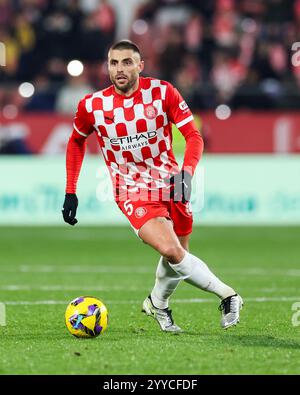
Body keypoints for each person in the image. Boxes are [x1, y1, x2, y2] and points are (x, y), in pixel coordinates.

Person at [62, 40, 243, 333]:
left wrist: (187, 172)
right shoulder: (93, 105)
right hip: (130, 189)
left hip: (172, 183)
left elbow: (194, 136)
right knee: (171, 250)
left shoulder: (162, 92)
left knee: (177, 256)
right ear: (107, 66)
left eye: (126, 62)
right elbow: (76, 141)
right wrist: (71, 190)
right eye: (113, 63)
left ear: (140, 66)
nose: (119, 69)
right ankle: (228, 295)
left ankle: (157, 304)